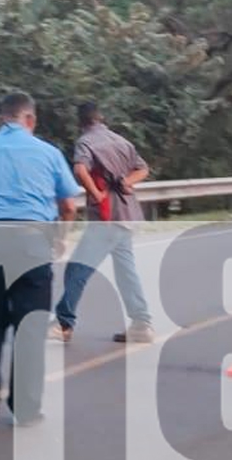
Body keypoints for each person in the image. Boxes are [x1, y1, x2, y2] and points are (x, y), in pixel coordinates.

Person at [0, 92, 83, 426]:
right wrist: (60, 239)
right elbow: (69, 206)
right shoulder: (49, 153)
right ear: (31, 119)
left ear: (1, 118)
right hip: (33, 244)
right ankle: (24, 408)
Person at [49, 102, 155, 344]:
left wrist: (96, 194)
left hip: (107, 217)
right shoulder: (121, 141)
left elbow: (79, 169)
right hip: (128, 216)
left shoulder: (86, 142)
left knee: (77, 269)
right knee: (126, 271)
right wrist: (128, 182)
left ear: (81, 122)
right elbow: (143, 168)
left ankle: (63, 323)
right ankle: (141, 323)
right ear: (101, 119)